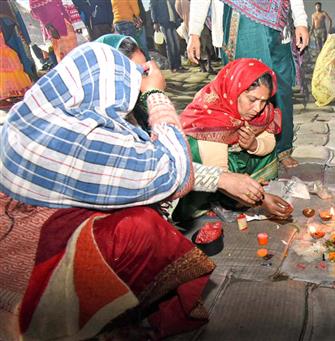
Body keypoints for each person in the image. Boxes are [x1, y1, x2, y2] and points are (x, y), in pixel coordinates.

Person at [0, 43, 265, 339]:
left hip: (30, 221)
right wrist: (156, 96)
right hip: (32, 254)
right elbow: (168, 172)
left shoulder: (39, 111)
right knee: (143, 228)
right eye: (135, 74)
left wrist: (225, 177)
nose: (141, 83)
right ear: (109, 79)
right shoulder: (89, 134)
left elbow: (134, 165)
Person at [186, 0, 309, 169]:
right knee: (251, 88)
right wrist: (194, 33)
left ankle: (282, 148)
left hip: (277, 22)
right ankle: (250, 157)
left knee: (281, 90)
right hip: (241, 17)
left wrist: (300, 21)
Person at [173, 58, 293, 222]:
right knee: (225, 171)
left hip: (234, 155)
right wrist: (261, 199)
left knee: (266, 152)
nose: (258, 109)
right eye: (252, 100)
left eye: (263, 101)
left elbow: (269, 141)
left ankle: (244, 191)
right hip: (210, 167)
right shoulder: (210, 115)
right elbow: (219, 174)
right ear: (235, 90)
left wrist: (254, 145)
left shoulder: (260, 110)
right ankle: (218, 199)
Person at [0, 0, 37, 81]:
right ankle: (29, 76)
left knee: (24, 52)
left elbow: (16, 12)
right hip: (6, 31)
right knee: (16, 55)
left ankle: (31, 75)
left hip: (13, 26)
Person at [150, 0, 182, 72]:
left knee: (177, 44)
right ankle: (173, 67)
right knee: (170, 45)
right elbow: (152, 8)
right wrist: (155, 22)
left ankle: (179, 65)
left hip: (173, 22)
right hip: (163, 23)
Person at [0, 31, 32, 101]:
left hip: (5, 51)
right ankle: (10, 92)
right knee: (8, 71)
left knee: (11, 70)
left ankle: (13, 91)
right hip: (5, 52)